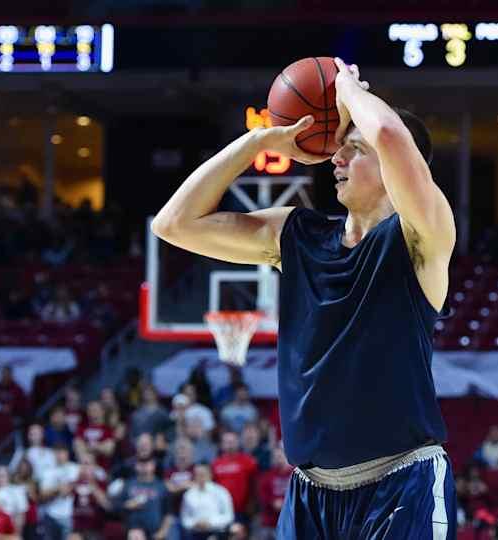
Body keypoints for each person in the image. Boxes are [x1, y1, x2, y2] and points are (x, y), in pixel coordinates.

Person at [152, 57, 456, 538]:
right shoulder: (297, 235)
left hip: (403, 485)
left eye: (354, 148)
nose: (336, 158)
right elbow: (173, 224)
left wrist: (349, 90)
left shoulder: (422, 237)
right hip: (311, 494)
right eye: (338, 148)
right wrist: (259, 142)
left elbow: (390, 136)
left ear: (396, 166)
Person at [114, 458, 172, 540]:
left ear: (153, 465)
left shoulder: (161, 486)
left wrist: (162, 532)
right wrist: (128, 505)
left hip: (154, 533)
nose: (144, 466)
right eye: (141, 463)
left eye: (147, 463)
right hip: (133, 531)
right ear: (136, 466)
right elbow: (115, 507)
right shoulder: (128, 484)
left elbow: (169, 513)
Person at [180, 464, 235, 540]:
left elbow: (229, 516)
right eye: (197, 474)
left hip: (217, 533)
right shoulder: (188, 494)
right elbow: (185, 518)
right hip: (195, 533)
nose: (200, 477)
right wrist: (195, 523)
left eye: (203, 474)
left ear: (210, 475)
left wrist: (210, 523)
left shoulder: (221, 492)